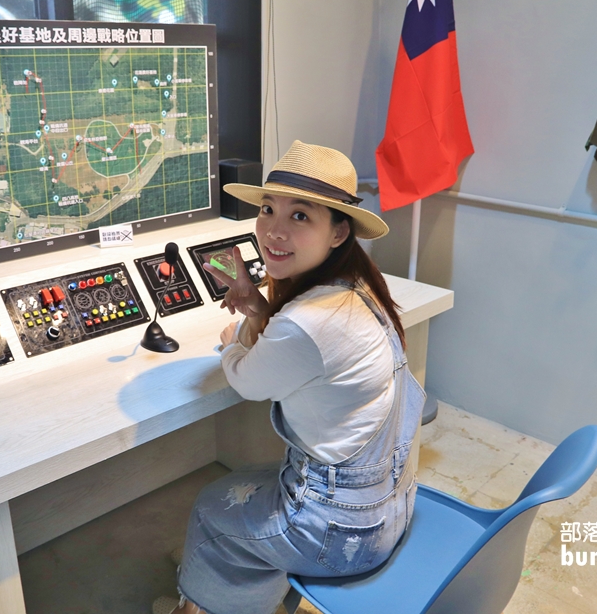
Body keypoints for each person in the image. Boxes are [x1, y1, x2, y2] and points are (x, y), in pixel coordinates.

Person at [154, 141, 426, 614]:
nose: (273, 232)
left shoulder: (307, 321)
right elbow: (294, 345)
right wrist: (261, 308)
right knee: (240, 486)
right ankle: (232, 587)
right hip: (389, 505)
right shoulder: (359, 288)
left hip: (343, 533)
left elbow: (245, 378)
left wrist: (236, 337)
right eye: (267, 209)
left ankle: (201, 599)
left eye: (300, 216)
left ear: (339, 233)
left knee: (210, 509)